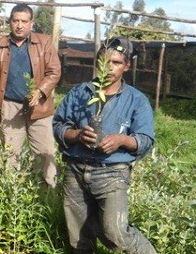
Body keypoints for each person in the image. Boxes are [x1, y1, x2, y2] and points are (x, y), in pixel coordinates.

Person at [52, 36, 157, 253]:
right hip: (76, 169)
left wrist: (122, 140)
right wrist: (77, 135)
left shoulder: (136, 100)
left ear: (126, 66)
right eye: (104, 61)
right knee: (79, 239)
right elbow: (59, 125)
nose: (109, 68)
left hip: (112, 173)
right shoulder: (80, 93)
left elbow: (145, 140)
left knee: (115, 233)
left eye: (116, 62)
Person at [0, 3, 61, 188]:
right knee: (10, 154)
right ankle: (10, 193)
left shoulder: (44, 43)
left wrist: (40, 91)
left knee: (45, 154)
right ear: (10, 22)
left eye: (24, 21)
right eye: (15, 20)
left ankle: (46, 195)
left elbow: (54, 72)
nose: (19, 25)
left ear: (31, 23)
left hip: (39, 107)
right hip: (9, 106)